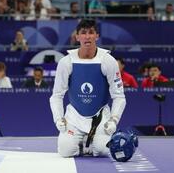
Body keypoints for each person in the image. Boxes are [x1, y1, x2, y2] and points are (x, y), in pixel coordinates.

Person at [49, 19, 126, 157]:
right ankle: (83, 143)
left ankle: (92, 141)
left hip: (99, 117)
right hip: (74, 117)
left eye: (91, 32)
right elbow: (56, 95)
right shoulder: (66, 62)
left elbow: (119, 96)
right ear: (77, 36)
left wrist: (114, 120)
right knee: (65, 151)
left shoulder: (108, 61)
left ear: (97, 36)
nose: (87, 36)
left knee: (103, 150)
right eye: (83, 33)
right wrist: (58, 118)